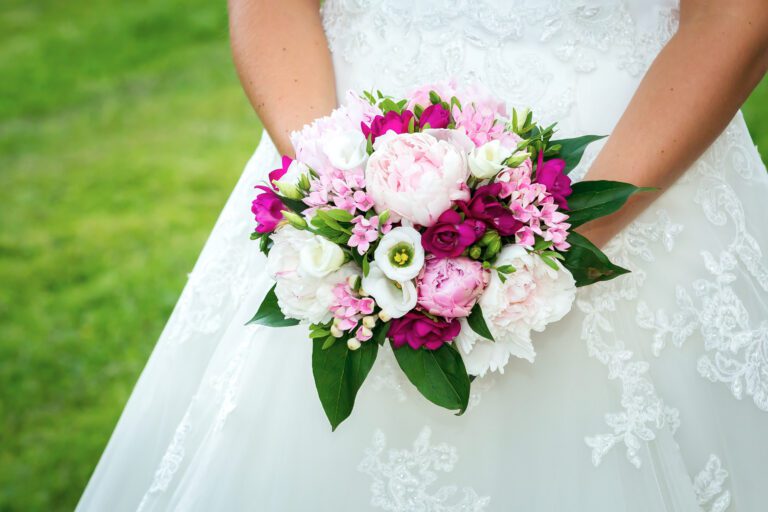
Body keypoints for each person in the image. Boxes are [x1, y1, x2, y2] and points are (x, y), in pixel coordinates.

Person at [78, 0, 768, 510]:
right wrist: (341, 204)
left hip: (633, 147)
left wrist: (557, 236)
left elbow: (735, 16)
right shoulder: (342, 198)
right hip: (343, 142)